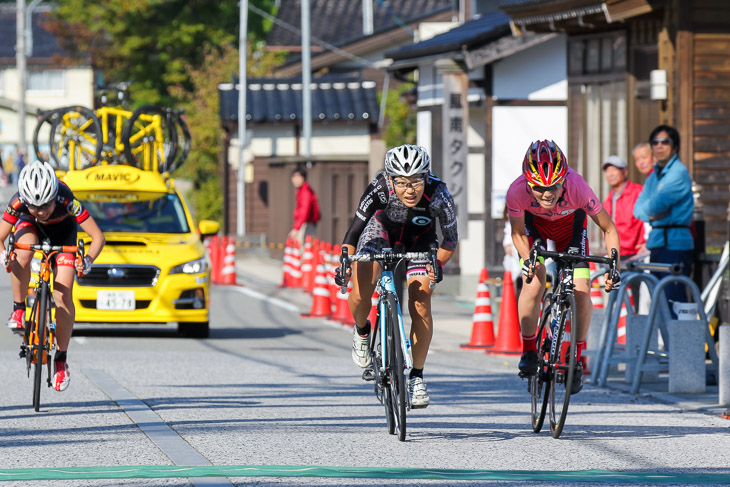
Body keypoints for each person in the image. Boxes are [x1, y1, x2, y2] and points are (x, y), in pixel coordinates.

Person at [337, 144, 458, 408]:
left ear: (426, 177)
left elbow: (450, 241)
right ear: (391, 179)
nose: (410, 189)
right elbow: (353, 234)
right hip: (379, 233)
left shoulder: (439, 194)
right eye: (402, 183)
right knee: (360, 291)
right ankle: (362, 331)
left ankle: (416, 377)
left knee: (421, 303)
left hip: (420, 242)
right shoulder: (379, 187)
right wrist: (346, 262)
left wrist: (437, 265)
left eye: (416, 181)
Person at [507, 140, 619, 393]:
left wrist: (615, 268)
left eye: (554, 186)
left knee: (582, 293)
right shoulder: (516, 192)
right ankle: (528, 351)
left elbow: (609, 228)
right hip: (533, 230)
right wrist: (528, 260)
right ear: (528, 182)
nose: (547, 194)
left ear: (564, 180)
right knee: (534, 281)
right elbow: (517, 233)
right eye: (538, 187)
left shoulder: (578, 187)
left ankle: (575, 358)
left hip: (571, 232)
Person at [0, 160, 106, 392]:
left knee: (63, 295)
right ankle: (19, 309)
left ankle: (60, 359)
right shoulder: (18, 201)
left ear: (54, 197)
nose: (40, 211)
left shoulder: (67, 200)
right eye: (33, 206)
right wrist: (3, 255)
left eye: (45, 206)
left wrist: (87, 260)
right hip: (30, 228)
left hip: (63, 234)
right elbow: (0, 236)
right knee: (22, 252)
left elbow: (98, 237)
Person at [633, 125, 694, 309]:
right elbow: (638, 210)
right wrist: (654, 215)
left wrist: (652, 212)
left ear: (674, 147)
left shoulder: (678, 173)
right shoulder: (653, 177)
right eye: (655, 142)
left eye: (665, 142)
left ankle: (682, 339)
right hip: (657, 244)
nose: (659, 146)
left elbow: (656, 205)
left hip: (675, 246)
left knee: (674, 303)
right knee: (659, 304)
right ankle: (668, 339)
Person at [602, 155, 646, 259]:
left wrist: (645, 243)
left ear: (624, 172)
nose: (610, 174)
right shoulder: (609, 197)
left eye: (614, 170)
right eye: (607, 171)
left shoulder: (638, 192)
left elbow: (647, 219)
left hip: (636, 254)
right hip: (615, 253)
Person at [287, 167, 321, 248]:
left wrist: (296, 228)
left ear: (303, 178)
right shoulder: (302, 190)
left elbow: (304, 211)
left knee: (304, 247)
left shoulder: (305, 191)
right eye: (294, 177)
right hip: (305, 222)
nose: (295, 180)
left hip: (306, 223)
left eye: (298, 177)